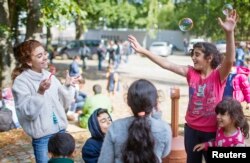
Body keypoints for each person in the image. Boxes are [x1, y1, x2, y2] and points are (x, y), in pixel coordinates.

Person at [128, 10, 237, 163]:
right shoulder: (190, 73)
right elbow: (166, 64)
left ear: (209, 57)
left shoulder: (219, 75)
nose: (193, 57)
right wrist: (143, 51)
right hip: (191, 129)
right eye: (192, 54)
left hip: (213, 130)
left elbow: (230, 59)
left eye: (197, 54)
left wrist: (229, 33)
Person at [11, 40, 79, 163]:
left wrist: (67, 86)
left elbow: (64, 105)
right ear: (29, 61)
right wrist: (40, 92)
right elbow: (28, 113)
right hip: (43, 138)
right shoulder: (21, 82)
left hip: (61, 133)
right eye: (39, 56)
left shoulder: (49, 75)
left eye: (44, 53)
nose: (45, 58)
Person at [98, 79, 172, 163]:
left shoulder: (115, 127)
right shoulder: (164, 128)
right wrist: (157, 117)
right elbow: (164, 153)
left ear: (128, 102)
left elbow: (105, 160)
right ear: (155, 103)